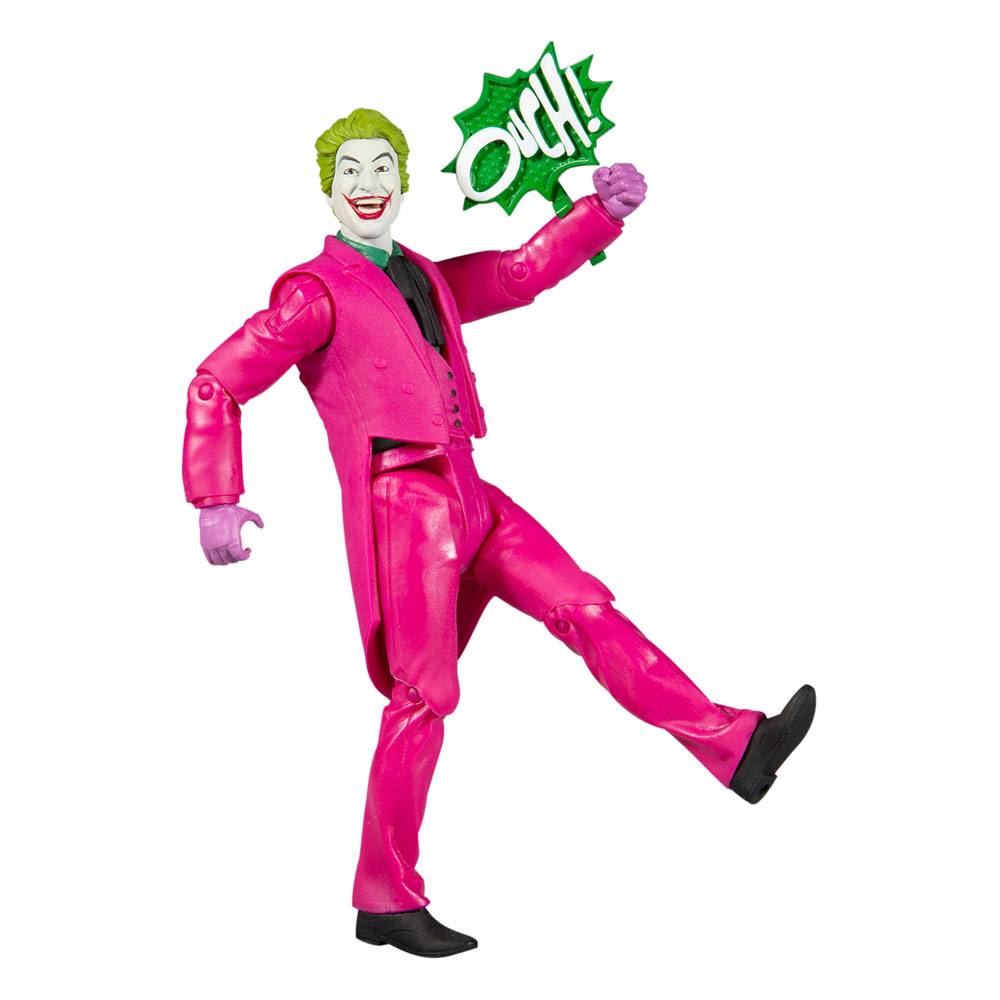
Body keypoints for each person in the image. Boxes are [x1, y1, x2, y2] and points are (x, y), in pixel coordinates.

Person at [183, 108, 816, 958]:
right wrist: (215, 496)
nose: (368, 185)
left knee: (583, 606)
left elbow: (517, 274)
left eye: (382, 168)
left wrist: (599, 212)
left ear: (403, 181)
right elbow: (217, 380)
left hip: (469, 491)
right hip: (404, 509)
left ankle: (735, 746)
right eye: (351, 171)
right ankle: (384, 896)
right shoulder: (315, 292)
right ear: (327, 186)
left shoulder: (424, 276)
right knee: (423, 696)